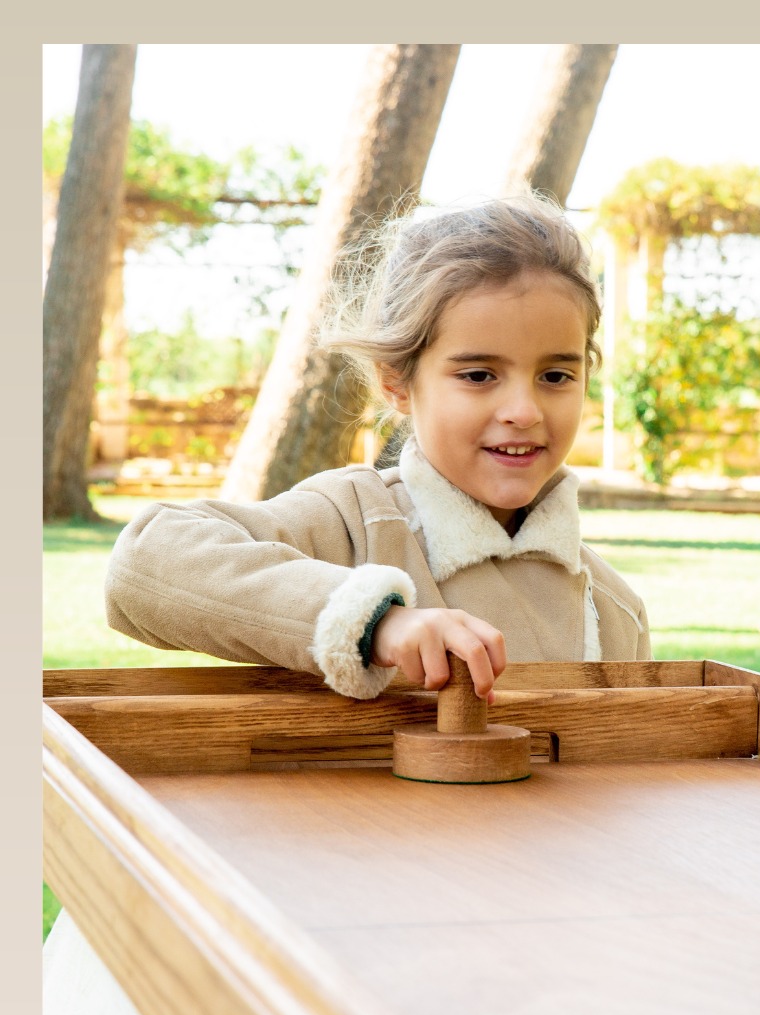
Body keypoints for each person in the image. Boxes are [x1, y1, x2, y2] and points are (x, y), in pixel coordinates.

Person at [104, 194, 652, 699]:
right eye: (480, 375)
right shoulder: (351, 522)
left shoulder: (614, 609)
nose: (524, 411)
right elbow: (144, 563)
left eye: (555, 376)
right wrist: (375, 620)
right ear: (396, 382)